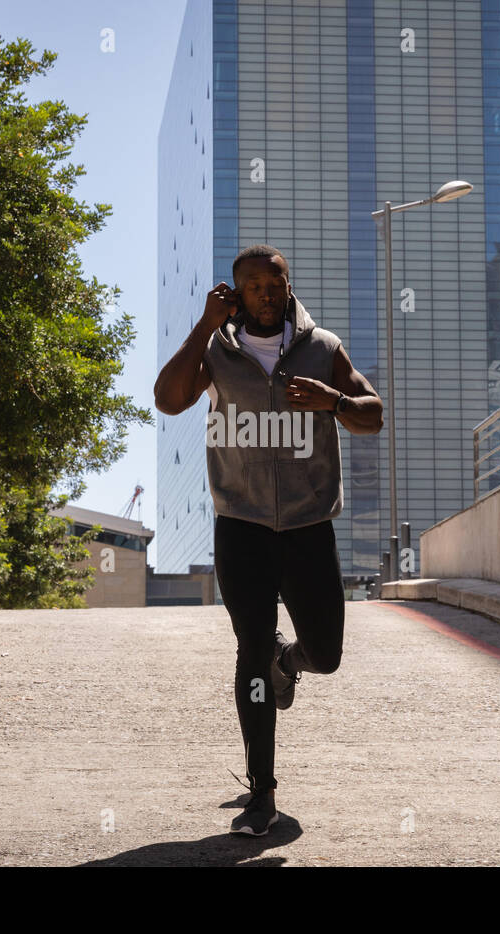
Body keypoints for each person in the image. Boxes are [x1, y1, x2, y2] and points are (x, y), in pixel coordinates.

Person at [154, 244, 384, 836]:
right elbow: (168, 399)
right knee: (248, 650)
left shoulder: (323, 347)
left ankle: (292, 659)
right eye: (251, 284)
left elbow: (373, 414)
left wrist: (332, 402)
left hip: (308, 527)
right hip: (242, 527)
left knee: (327, 655)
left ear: (287, 286)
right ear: (237, 293)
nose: (264, 292)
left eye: (273, 282)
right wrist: (205, 325)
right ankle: (263, 794)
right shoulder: (216, 352)